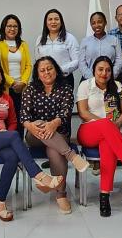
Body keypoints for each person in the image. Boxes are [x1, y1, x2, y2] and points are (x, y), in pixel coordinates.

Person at [0, 62, 64, 221]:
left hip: (1, 140)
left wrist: (5, 135)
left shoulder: (6, 98)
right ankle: (38, 175)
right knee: (13, 136)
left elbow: (13, 122)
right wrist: (3, 134)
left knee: (12, 156)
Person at [76, 56, 122, 217]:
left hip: (112, 134)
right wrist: (107, 125)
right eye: (100, 69)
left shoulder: (117, 86)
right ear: (94, 70)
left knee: (108, 147)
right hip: (88, 131)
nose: (104, 73)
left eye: (108, 70)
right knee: (105, 128)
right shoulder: (85, 85)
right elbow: (83, 113)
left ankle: (104, 197)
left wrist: (113, 126)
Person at [21, 56, 90, 214]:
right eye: (42, 70)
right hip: (34, 135)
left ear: (56, 70)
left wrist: (53, 124)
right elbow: (24, 117)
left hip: (59, 133)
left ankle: (61, 194)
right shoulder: (30, 89)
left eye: (50, 68)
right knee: (38, 123)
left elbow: (65, 113)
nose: (46, 72)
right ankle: (72, 156)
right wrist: (33, 126)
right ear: (37, 74)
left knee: (53, 151)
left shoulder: (65, 88)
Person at [0, 14, 31, 134]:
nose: (12, 29)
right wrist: (12, 83)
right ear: (4, 28)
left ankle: (20, 143)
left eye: (15, 26)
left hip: (22, 88)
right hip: (6, 87)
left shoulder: (23, 44)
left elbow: (28, 66)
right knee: (7, 117)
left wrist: (23, 82)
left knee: (20, 117)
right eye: (9, 26)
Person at [33, 8, 80, 85]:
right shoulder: (40, 39)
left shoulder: (69, 38)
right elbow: (38, 61)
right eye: (50, 19)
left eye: (56, 19)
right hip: (45, 79)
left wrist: (59, 70)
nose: (53, 22)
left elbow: (77, 60)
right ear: (46, 22)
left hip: (64, 79)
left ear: (61, 22)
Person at [79, 12, 122, 81]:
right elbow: (81, 63)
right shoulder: (85, 41)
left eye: (99, 22)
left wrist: (110, 76)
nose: (96, 25)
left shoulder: (114, 40)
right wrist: (93, 79)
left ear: (105, 22)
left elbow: (119, 61)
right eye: (93, 23)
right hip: (89, 80)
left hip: (110, 79)